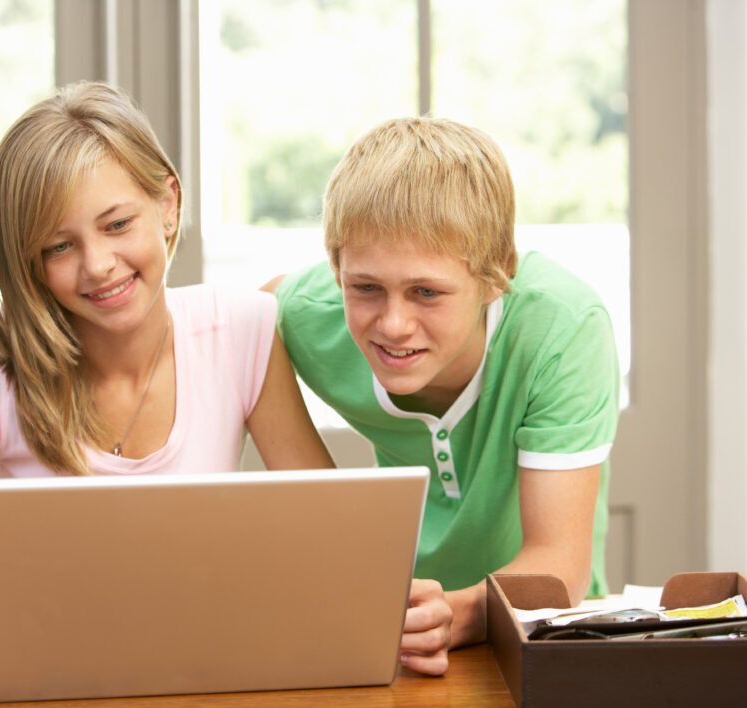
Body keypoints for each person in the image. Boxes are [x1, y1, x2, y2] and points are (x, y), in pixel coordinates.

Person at [0, 81, 334, 638]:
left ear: (167, 206)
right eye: (58, 247)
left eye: (117, 225)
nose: (98, 265)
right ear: (28, 261)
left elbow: (339, 545)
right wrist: (17, 605)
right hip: (48, 673)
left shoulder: (243, 331)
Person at [265, 116, 620, 670]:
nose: (394, 324)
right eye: (365, 288)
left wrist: (459, 615)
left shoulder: (563, 329)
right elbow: (236, 325)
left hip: (535, 636)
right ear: (336, 270)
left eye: (427, 292)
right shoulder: (305, 316)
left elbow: (560, 566)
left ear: (497, 273)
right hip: (395, 640)